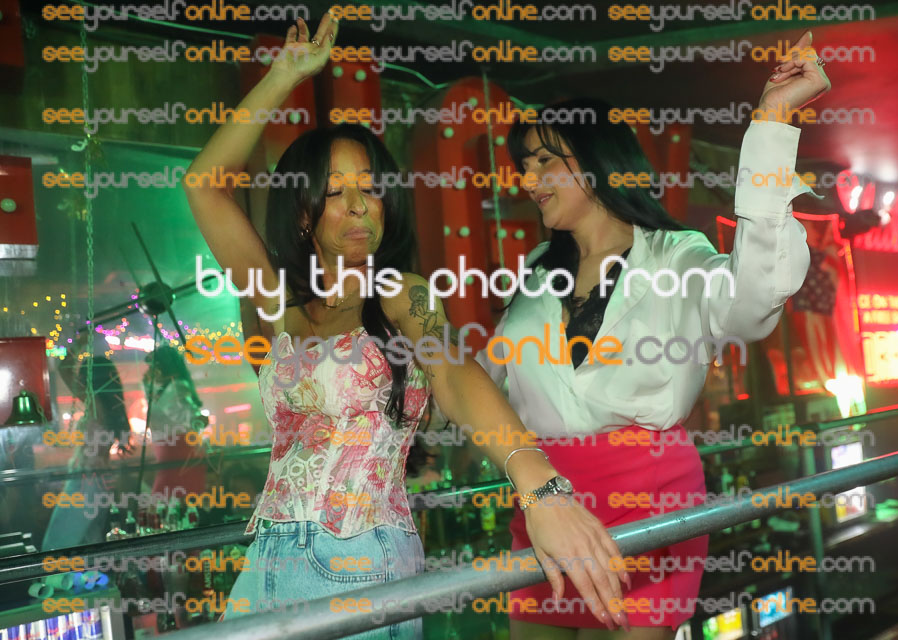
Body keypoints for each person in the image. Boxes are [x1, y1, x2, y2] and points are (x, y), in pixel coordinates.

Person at [183, 13, 632, 636]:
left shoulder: (400, 293)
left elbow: (454, 375)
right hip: (266, 560)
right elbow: (203, 185)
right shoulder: (278, 300)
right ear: (304, 213)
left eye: (370, 189)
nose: (359, 205)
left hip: (359, 560)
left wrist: (539, 486)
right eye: (335, 192)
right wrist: (283, 74)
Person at [475, 32, 831, 639]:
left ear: (595, 161)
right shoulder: (535, 269)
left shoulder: (676, 255)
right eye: (524, 167)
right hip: (545, 497)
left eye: (543, 162)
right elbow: (485, 378)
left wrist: (772, 120)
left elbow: (752, 302)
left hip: (648, 496)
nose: (529, 181)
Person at [42, 339, 134, 550]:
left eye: (84, 376)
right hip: (99, 480)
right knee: (89, 539)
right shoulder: (109, 408)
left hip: (86, 482)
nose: (80, 380)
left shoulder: (95, 404)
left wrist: (79, 343)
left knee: (59, 541)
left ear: (91, 379)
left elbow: (64, 369)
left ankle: (58, 572)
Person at [144, 345, 208, 499]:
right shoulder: (164, 389)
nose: (149, 370)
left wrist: (197, 419)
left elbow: (187, 416)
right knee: (179, 498)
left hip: (177, 451)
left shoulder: (174, 388)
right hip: (176, 451)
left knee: (170, 498)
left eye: (153, 366)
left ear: (162, 367)